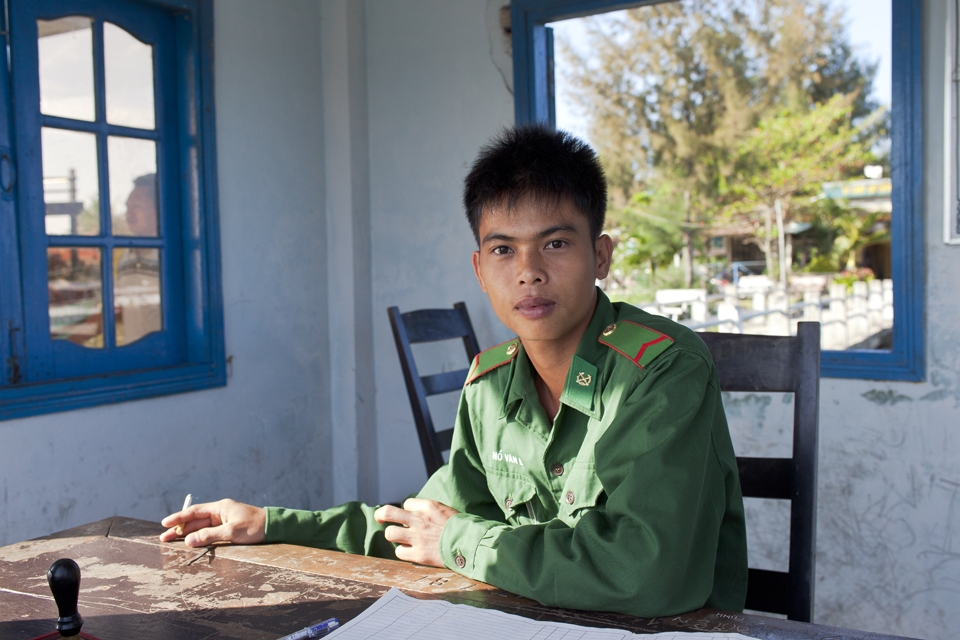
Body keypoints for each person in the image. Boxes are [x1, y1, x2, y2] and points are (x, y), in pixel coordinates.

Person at [160, 125, 747, 617]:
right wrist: (270, 523)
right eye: (502, 250)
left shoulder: (663, 371)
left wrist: (460, 542)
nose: (528, 272)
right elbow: (423, 526)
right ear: (479, 268)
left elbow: (649, 573)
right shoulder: (490, 385)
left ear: (601, 255)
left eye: (556, 244)